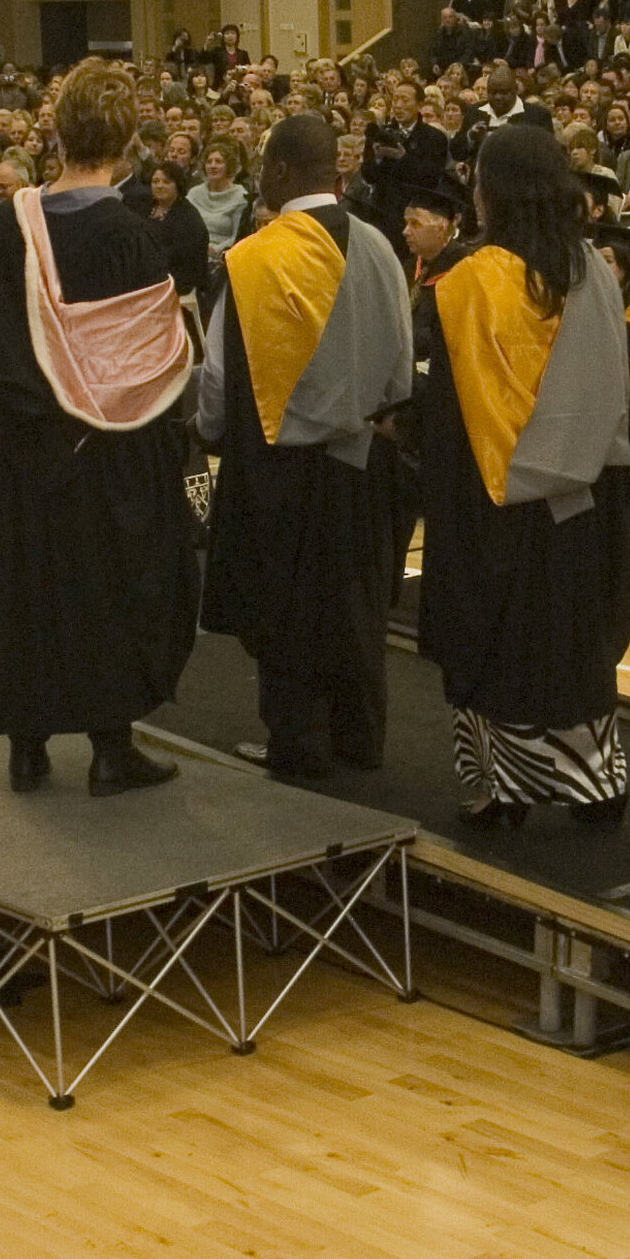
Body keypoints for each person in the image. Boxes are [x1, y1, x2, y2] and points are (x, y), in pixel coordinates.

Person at [0, 61, 199, 792]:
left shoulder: (1, 231)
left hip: (14, 456)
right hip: (101, 459)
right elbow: (155, 366)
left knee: (22, 595)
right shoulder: (129, 237)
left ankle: (26, 749)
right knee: (103, 596)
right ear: (128, 142)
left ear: (53, 133)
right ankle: (110, 750)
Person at [411, 124, 630, 824]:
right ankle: (595, 783)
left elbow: (449, 408)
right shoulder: (590, 268)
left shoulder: (472, 279)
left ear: (493, 191)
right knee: (575, 643)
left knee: (497, 643)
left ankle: (504, 790)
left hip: (496, 496)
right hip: (588, 491)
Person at [197, 114, 416, 783]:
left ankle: (299, 746)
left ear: (281, 170)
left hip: (279, 467)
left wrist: (208, 431)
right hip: (362, 457)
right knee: (356, 604)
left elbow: (217, 379)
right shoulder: (380, 247)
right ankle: (360, 738)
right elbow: (402, 367)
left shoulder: (255, 257)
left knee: (286, 610)